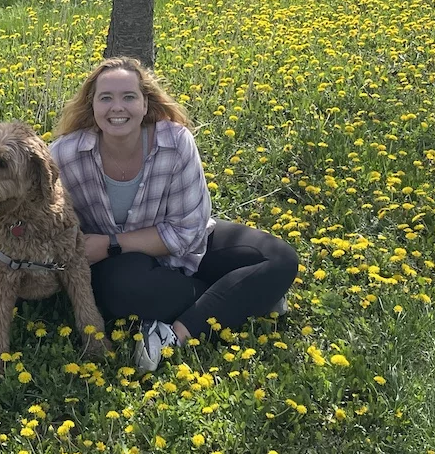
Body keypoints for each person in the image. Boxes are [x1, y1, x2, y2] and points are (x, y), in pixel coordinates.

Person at [49, 57, 298, 372]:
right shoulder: (65, 154)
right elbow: (34, 201)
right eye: (106, 98)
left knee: (280, 259)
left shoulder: (176, 142)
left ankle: (173, 334)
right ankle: (249, 297)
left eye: (128, 97)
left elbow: (189, 231)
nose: (117, 107)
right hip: (125, 270)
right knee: (121, 291)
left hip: (182, 247)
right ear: (92, 105)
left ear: (144, 103)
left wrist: (110, 243)